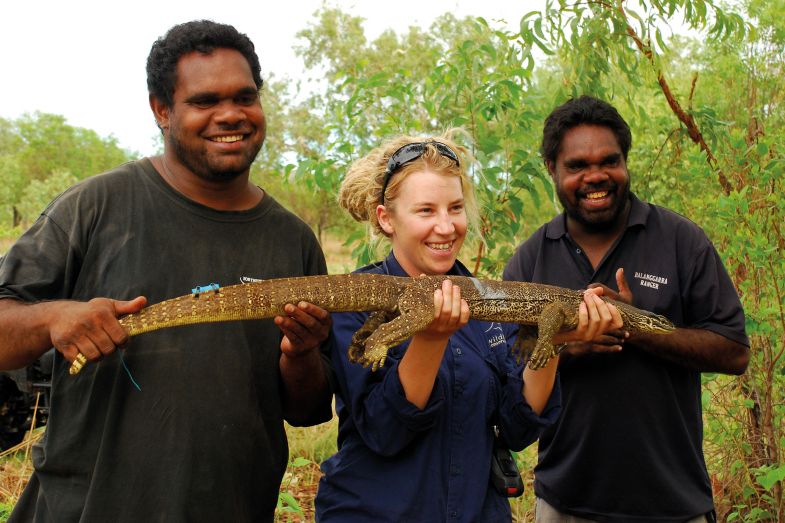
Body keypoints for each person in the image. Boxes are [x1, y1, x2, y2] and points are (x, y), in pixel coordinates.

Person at [0, 20, 334, 522]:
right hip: (86, 510)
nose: (230, 115)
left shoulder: (292, 240)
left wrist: (301, 354)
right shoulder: (96, 206)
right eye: (204, 101)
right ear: (161, 110)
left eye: (245, 97)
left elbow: (306, 409)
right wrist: (55, 320)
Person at [314, 132, 623, 522]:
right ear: (386, 218)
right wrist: (430, 339)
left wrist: (554, 341)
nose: (446, 227)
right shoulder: (359, 301)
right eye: (426, 210)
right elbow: (384, 433)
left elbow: (517, 428)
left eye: (455, 208)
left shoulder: (491, 300)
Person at [503, 95, 750, 522]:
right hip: (564, 502)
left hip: (674, 502)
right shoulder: (531, 259)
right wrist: (569, 345)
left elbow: (733, 351)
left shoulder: (680, 240)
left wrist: (633, 328)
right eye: (577, 166)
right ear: (552, 170)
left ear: (625, 161)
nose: (595, 176)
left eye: (609, 161)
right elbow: (507, 364)